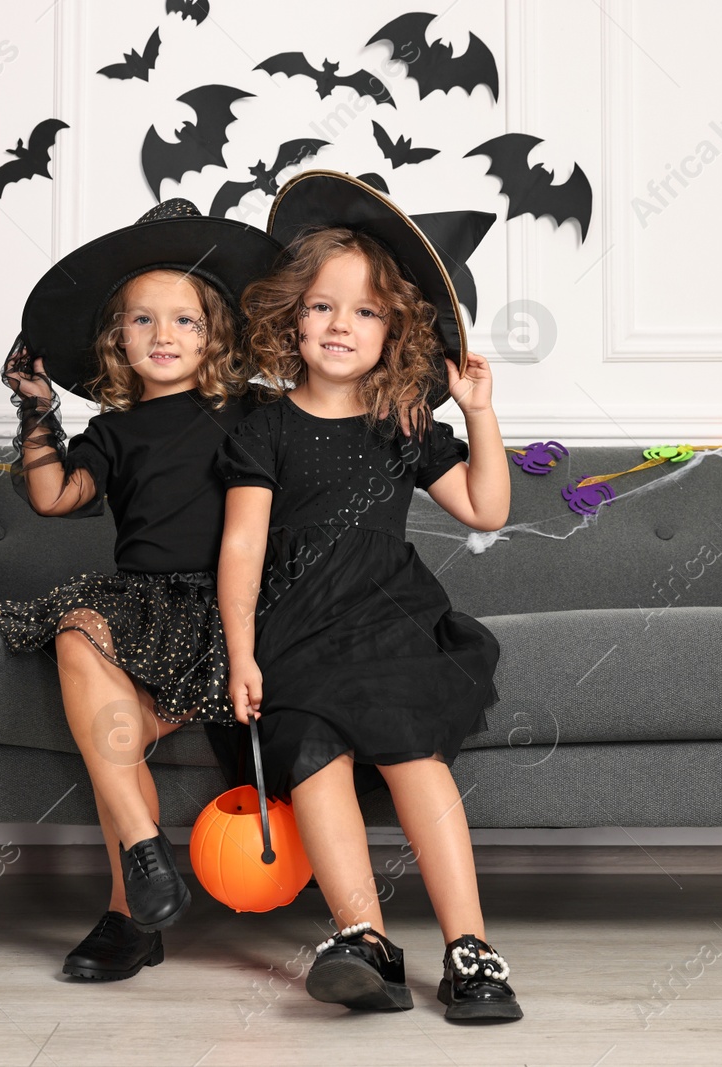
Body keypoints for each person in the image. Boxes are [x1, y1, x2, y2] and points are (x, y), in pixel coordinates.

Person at [214, 172, 522, 1023]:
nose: (341, 325)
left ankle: (471, 947)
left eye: (365, 311)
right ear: (291, 318)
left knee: (411, 749)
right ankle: (364, 939)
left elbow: (486, 508)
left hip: (387, 619)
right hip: (295, 628)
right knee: (309, 751)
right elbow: (240, 546)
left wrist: (481, 411)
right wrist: (240, 651)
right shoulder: (263, 426)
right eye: (322, 306)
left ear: (396, 333)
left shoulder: (402, 423)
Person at [0, 198, 280, 981]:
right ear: (116, 338)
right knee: (75, 631)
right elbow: (54, 498)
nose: (163, 336)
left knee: (114, 727)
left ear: (217, 335)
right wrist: (37, 411)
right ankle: (144, 857)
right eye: (142, 320)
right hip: (145, 610)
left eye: (184, 320)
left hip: (234, 610)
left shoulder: (255, 413)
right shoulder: (112, 430)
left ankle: (126, 912)